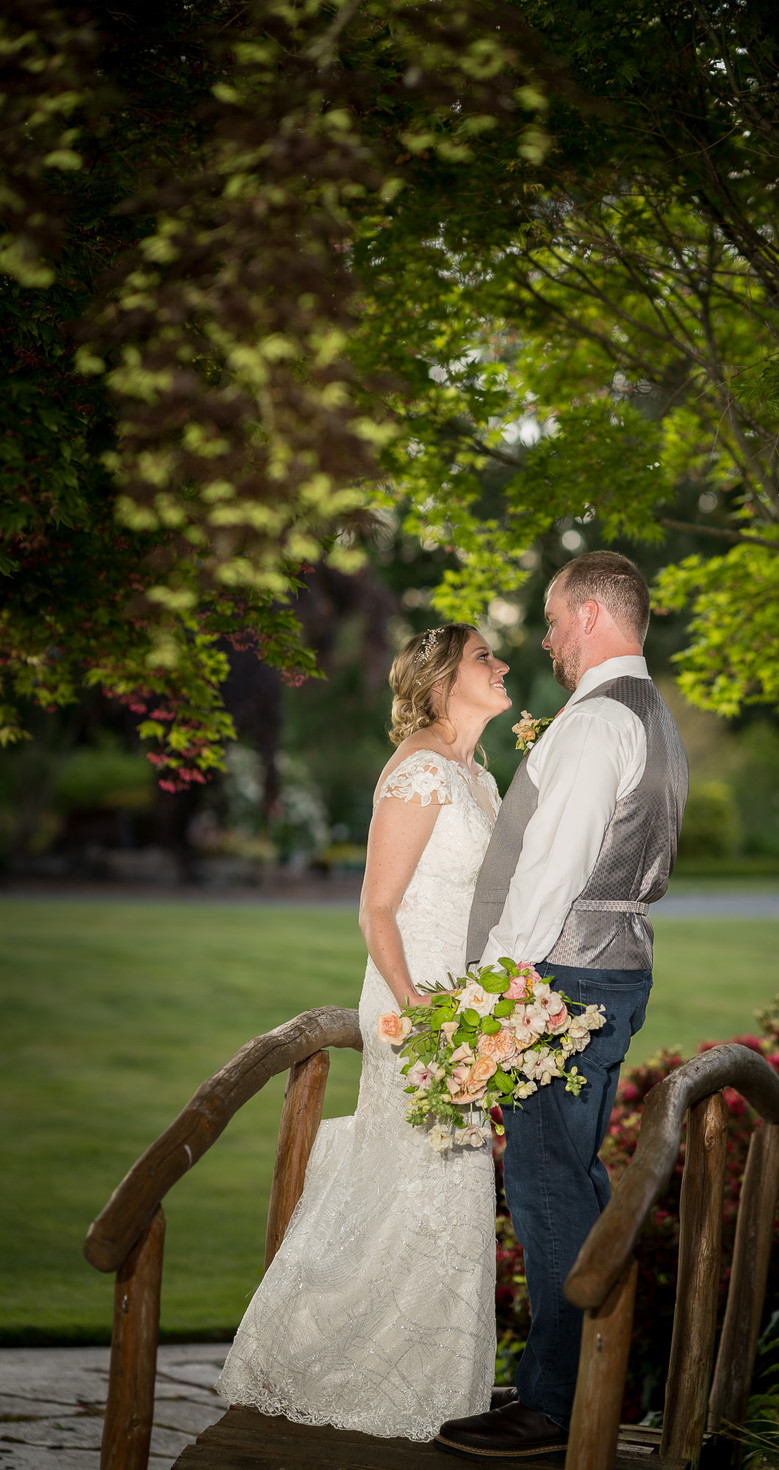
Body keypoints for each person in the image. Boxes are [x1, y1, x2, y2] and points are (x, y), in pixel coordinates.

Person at [216, 623, 512, 1441]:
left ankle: (430, 1389)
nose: (504, 665)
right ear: (447, 679)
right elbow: (376, 907)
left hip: (466, 1012)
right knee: (425, 1186)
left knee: (446, 1195)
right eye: (487, 656)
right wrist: (421, 1015)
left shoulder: (477, 776)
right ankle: (331, 1366)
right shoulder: (420, 772)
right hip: (416, 1012)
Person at [437, 551, 688, 1460]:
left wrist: (493, 997)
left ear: (588, 614)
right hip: (609, 974)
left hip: (559, 982)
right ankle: (580, 1377)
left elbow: (548, 879)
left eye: (550, 622)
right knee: (575, 1179)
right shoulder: (653, 716)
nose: (544, 642)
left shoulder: (593, 726)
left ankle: (549, 1408)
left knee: (544, 1185)